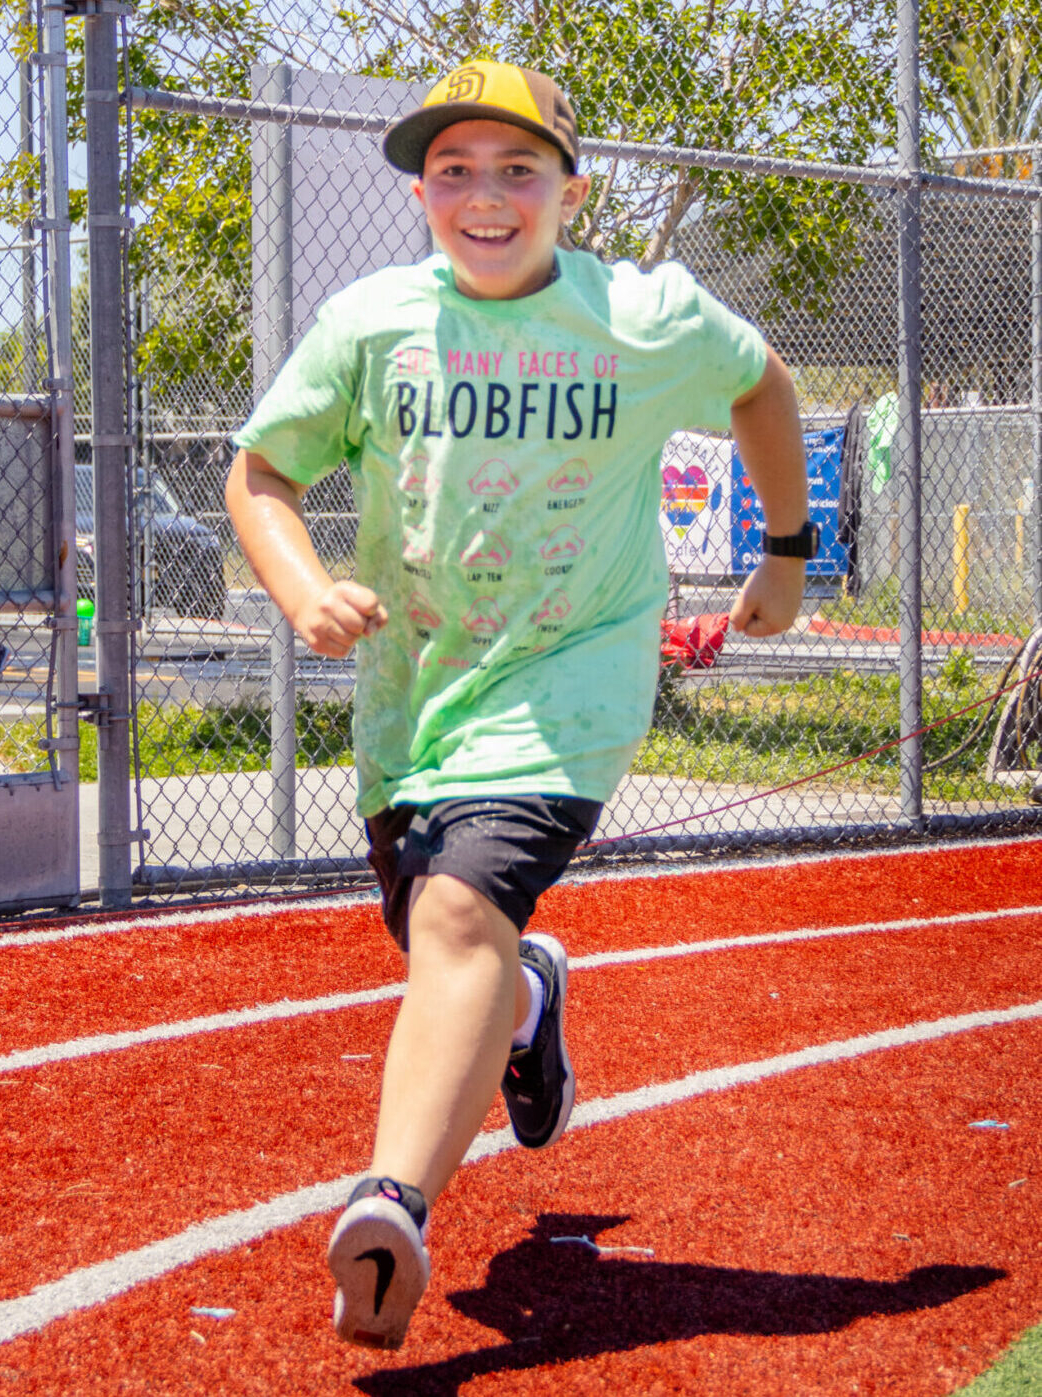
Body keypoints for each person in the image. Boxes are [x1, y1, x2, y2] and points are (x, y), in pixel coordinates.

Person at [225, 59, 813, 1350]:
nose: (483, 196)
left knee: (454, 909)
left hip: (573, 677)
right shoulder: (373, 321)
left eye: (515, 170)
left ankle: (391, 1203)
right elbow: (263, 468)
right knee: (442, 934)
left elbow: (760, 381)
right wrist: (304, 585)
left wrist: (784, 547)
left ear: (568, 187)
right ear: (423, 192)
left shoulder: (643, 313)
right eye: (452, 172)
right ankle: (530, 1002)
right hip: (416, 693)